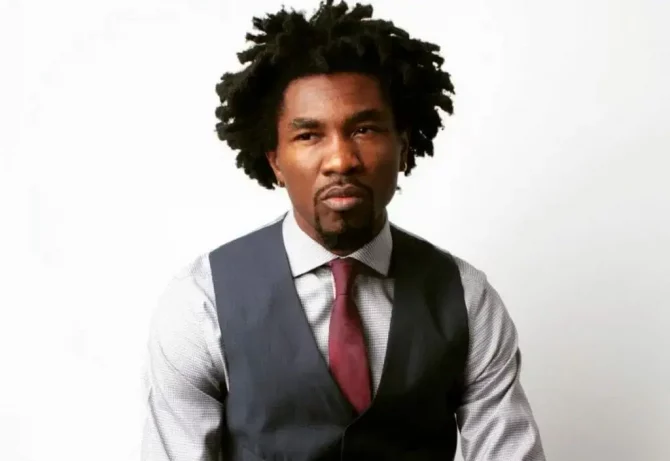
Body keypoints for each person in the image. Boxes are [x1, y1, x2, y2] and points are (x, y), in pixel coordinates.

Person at [141, 1, 546, 459]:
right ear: (275, 161)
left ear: (404, 148)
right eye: (309, 135)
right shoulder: (202, 301)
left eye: (365, 129)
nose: (340, 160)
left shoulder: (467, 298)